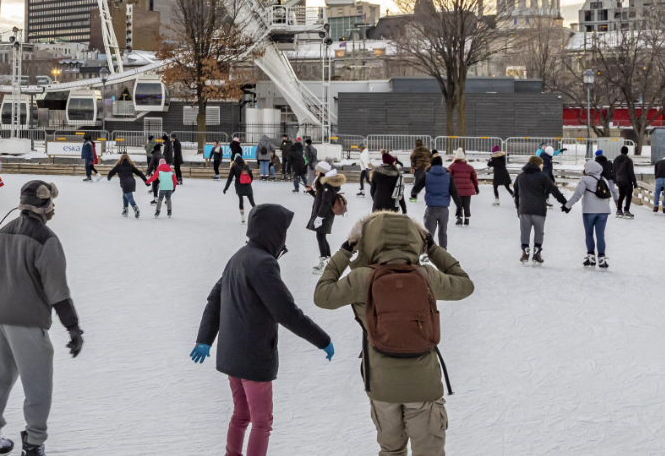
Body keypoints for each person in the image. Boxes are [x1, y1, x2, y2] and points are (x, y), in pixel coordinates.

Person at [313, 211, 474, 456]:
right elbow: (464, 284)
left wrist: (346, 250)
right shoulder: (426, 276)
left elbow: (322, 296)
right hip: (424, 384)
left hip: (381, 385)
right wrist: (432, 248)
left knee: (391, 451)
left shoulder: (361, 278)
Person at [193, 204, 333, 456]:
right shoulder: (263, 263)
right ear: (273, 232)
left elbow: (215, 298)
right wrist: (322, 339)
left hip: (231, 353)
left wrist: (205, 340)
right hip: (253, 356)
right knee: (261, 421)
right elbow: (285, 311)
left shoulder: (240, 255)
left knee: (241, 415)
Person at [0, 181, 81, 456]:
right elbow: (58, 290)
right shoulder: (46, 239)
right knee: (38, 384)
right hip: (26, 321)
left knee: (4, 375)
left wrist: (0, 309)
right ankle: (34, 444)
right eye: (52, 204)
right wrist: (73, 328)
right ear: (44, 206)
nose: (54, 209)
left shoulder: (3, 232)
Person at [513, 155, 567, 265]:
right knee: (539, 232)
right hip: (539, 209)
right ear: (538, 164)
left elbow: (516, 194)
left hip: (524, 209)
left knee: (525, 231)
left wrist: (518, 208)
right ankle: (537, 253)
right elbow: (554, 190)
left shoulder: (520, 177)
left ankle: (525, 251)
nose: (543, 165)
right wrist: (565, 203)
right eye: (541, 163)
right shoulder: (543, 176)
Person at [562, 160, 612, 269]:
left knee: (589, 234)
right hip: (603, 211)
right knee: (600, 235)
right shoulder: (604, 180)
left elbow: (577, 194)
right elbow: (608, 196)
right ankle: (602, 259)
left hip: (589, 211)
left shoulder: (585, 179)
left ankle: (591, 257)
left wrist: (567, 205)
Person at [412, 156, 456, 249]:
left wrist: (413, 194)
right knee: (443, 232)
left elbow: (417, 187)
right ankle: (443, 252)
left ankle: (428, 253)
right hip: (444, 209)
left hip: (431, 208)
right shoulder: (448, 176)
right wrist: (459, 207)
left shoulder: (427, 175)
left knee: (428, 234)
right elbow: (454, 192)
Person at [307, 168, 345, 274]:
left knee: (320, 236)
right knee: (321, 236)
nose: (316, 173)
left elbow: (325, 202)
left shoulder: (327, 185)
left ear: (322, 172)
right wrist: (311, 191)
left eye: (318, 171)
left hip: (325, 214)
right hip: (324, 214)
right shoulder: (325, 184)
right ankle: (327, 260)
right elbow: (320, 198)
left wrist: (320, 217)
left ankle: (324, 261)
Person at [107, 152, 146, 218]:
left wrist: (109, 177)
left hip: (125, 182)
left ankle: (136, 208)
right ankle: (125, 210)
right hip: (131, 181)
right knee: (125, 196)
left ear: (121, 159)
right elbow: (140, 173)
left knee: (129, 197)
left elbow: (111, 172)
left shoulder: (118, 166)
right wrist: (145, 181)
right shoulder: (131, 166)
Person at [448, 149, 478, 226]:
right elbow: (474, 178)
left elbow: (448, 178)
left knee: (459, 204)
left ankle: (459, 218)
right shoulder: (470, 167)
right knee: (467, 205)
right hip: (468, 190)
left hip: (456, 189)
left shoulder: (452, 166)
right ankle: (467, 219)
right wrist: (476, 187)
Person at [223, 154, 256, 224]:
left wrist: (226, 188)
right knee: (252, 202)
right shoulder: (246, 166)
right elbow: (251, 177)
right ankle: (257, 214)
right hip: (247, 186)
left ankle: (242, 217)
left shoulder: (234, 167)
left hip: (239, 186)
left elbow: (230, 178)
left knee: (241, 200)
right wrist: (248, 182)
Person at [612, 145, 636, 219]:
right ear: (627, 152)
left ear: (621, 151)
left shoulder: (616, 160)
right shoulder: (628, 160)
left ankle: (619, 210)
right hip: (627, 180)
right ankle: (626, 210)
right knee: (628, 195)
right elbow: (631, 172)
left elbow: (613, 170)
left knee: (621, 195)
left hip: (619, 180)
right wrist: (634, 182)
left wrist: (615, 180)